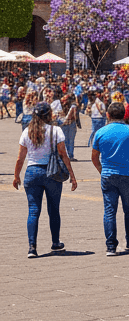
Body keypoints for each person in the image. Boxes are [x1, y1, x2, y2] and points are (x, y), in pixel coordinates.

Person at [13, 102, 78, 257]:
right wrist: (72, 176)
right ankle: (55, 243)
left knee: (33, 210)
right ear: (49, 115)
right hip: (52, 173)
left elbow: (20, 158)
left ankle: (32, 247)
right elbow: (64, 154)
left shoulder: (27, 131)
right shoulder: (56, 131)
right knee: (53, 210)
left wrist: (16, 176)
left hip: (32, 172)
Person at [92, 101, 129, 257]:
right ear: (124, 115)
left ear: (108, 115)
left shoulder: (100, 132)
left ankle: (111, 246)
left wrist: (102, 171)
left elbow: (94, 157)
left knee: (109, 211)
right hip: (128, 174)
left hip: (108, 175)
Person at [59, 91, 79, 161]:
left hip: (63, 124)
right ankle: (70, 156)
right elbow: (75, 116)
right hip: (71, 124)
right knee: (71, 141)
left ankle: (65, 155)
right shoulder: (73, 106)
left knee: (64, 141)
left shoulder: (60, 105)